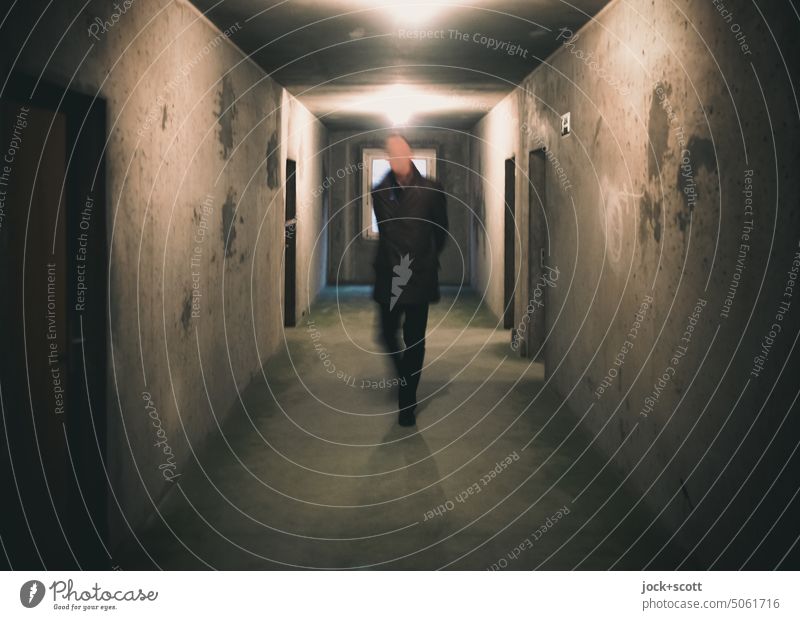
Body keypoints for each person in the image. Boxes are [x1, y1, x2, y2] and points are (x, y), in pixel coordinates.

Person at [371, 133, 448, 426]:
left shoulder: (431, 190)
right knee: (386, 334)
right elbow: (386, 234)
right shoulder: (379, 192)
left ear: (411, 154)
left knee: (415, 341)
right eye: (392, 154)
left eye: (401, 153)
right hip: (389, 276)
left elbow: (440, 232)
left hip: (418, 276)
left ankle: (407, 403)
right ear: (389, 159)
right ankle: (405, 377)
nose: (397, 159)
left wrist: (424, 257)